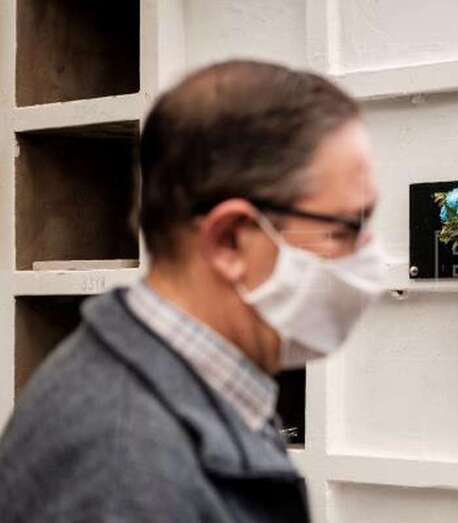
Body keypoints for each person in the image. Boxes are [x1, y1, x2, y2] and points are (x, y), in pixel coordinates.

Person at [0, 60, 385, 522]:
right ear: (230, 240)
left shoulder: (197, 392)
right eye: (349, 225)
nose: (370, 254)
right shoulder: (124, 472)